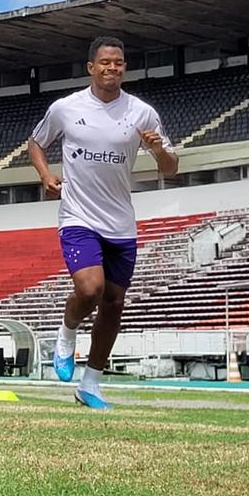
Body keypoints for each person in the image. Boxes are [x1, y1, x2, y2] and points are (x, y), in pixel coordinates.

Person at [29, 36, 177, 410]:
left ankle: (90, 384)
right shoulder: (66, 107)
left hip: (121, 222)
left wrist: (158, 149)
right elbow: (35, 142)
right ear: (91, 67)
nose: (113, 68)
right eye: (106, 62)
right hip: (78, 215)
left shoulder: (141, 112)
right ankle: (66, 333)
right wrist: (45, 176)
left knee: (113, 303)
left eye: (120, 63)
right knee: (91, 288)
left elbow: (171, 168)